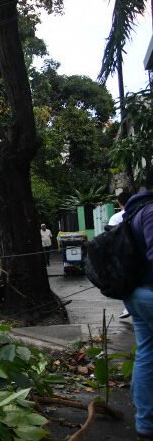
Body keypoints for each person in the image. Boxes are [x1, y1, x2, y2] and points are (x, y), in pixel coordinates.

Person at [122, 171, 153, 440]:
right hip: (149, 292)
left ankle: (145, 421)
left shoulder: (135, 210)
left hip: (136, 292)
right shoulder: (151, 211)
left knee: (147, 353)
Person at [108, 191, 133, 319]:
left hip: (124, 256)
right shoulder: (144, 213)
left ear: (119, 202)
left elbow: (109, 239)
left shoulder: (116, 218)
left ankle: (129, 307)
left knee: (127, 283)